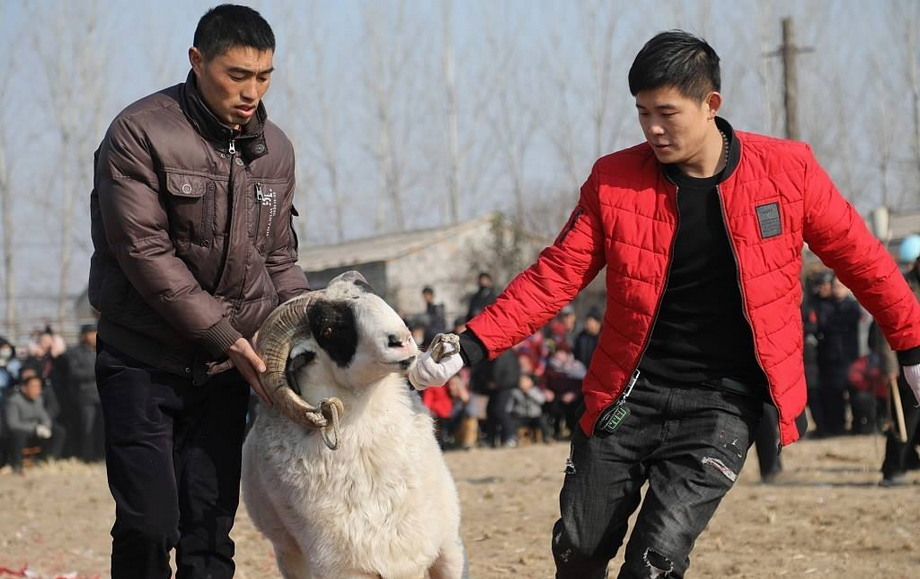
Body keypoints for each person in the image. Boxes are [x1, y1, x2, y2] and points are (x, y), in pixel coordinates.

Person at [409, 30, 920, 578]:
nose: (653, 128)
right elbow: (555, 276)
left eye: (667, 112)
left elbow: (864, 261)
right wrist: (472, 343)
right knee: (579, 550)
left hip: (723, 403)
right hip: (628, 394)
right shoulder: (614, 182)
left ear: (710, 105)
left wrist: (913, 349)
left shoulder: (787, 172)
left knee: (655, 559)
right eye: (642, 112)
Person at [88, 5, 309, 577]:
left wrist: (305, 333)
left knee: (209, 531)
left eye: (263, 77)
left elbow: (280, 258)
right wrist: (224, 335)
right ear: (197, 60)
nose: (251, 91)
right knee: (149, 523)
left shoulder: (276, 151)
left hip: (224, 375)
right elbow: (144, 253)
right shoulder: (139, 133)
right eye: (237, 75)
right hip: (142, 361)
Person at [815, 276, 862, 436]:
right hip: (830, 357)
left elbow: (842, 323)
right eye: (835, 286)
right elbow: (823, 324)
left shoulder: (852, 306)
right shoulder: (824, 305)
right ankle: (837, 426)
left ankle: (858, 425)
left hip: (849, 356)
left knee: (854, 393)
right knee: (833, 394)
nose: (837, 289)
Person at [3, 374, 65, 474]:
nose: (37, 390)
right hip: (20, 433)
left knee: (58, 430)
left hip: (36, 432)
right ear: (24, 388)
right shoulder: (14, 401)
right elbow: (13, 424)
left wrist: (45, 426)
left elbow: (44, 417)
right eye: (34, 387)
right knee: (18, 434)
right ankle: (17, 465)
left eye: (38, 387)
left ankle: (50, 459)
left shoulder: (38, 399)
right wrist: (35, 428)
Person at [64, 324, 103, 462]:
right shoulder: (75, 353)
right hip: (86, 396)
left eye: (95, 333)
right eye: (91, 333)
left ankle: (102, 454)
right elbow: (74, 373)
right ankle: (88, 455)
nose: (93, 336)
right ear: (84, 336)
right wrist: (97, 371)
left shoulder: (102, 349)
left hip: (102, 395)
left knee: (101, 427)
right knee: (88, 426)